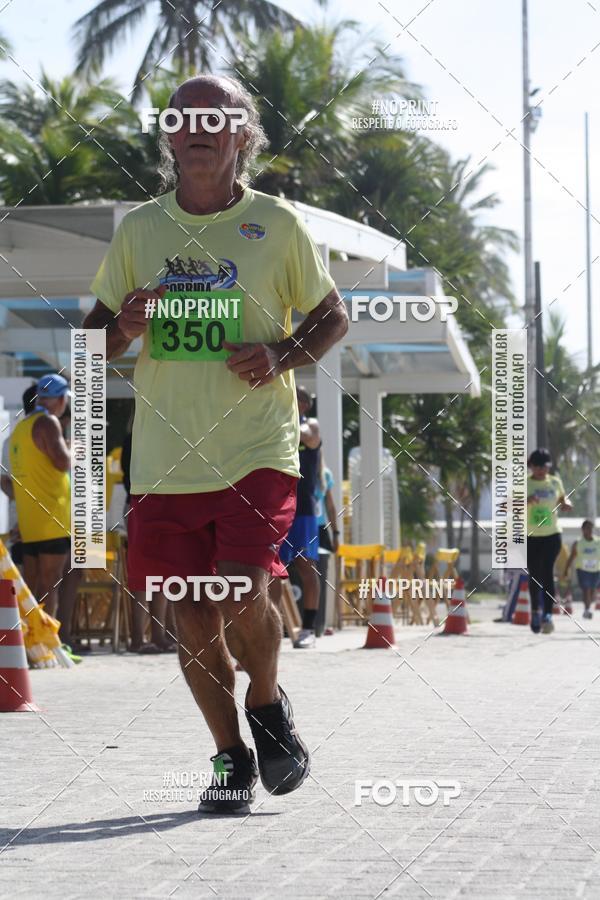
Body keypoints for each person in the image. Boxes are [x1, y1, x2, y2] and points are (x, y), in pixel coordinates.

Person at [83, 74, 348, 814]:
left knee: (238, 587)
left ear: (242, 135)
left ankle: (266, 700)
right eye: (183, 116)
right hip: (166, 456)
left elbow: (333, 318)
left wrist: (280, 355)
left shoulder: (279, 224)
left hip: (256, 445)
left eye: (217, 115)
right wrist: (124, 331)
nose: (198, 126)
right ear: (168, 135)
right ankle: (231, 755)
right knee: (191, 610)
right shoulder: (139, 230)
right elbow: (87, 345)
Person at [8, 374, 71, 619]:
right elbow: (62, 462)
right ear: (60, 399)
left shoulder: (21, 428)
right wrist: (74, 449)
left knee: (32, 591)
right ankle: (47, 647)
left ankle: (31, 647)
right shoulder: (48, 423)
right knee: (50, 587)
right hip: (52, 519)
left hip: (30, 521)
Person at [121, 426, 176, 653]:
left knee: (158, 572)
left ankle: (156, 635)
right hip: (142, 503)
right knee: (145, 573)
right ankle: (143, 637)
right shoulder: (144, 436)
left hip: (151, 502)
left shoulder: (152, 434)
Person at [276, 387, 322, 649]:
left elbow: (311, 439)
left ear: (303, 404)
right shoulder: (279, 422)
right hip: (279, 506)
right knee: (273, 570)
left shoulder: (310, 424)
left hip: (304, 507)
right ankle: (271, 626)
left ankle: (308, 628)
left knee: (306, 566)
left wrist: (288, 417)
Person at [527, 448, 573, 634]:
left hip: (552, 535)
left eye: (544, 467)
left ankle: (547, 614)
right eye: (536, 466)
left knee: (547, 572)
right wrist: (525, 501)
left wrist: (567, 504)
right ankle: (535, 611)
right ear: (531, 466)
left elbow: (563, 498)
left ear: (548, 467)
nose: (540, 470)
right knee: (534, 575)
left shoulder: (555, 482)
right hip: (530, 536)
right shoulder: (523, 483)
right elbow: (506, 505)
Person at [1, 384, 37, 568]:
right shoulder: (49, 436)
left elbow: (4, 481)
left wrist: (20, 500)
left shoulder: (11, 439)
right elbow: (4, 481)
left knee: (26, 569)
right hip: (32, 518)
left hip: (22, 515)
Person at [565, 519, 600, 619]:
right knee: (586, 590)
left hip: (596, 570)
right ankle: (587, 610)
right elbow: (571, 557)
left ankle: (588, 607)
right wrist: (565, 570)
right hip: (582, 570)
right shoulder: (578, 543)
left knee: (593, 591)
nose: (589, 530)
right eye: (587, 528)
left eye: (591, 528)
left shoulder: (598, 542)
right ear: (583, 529)